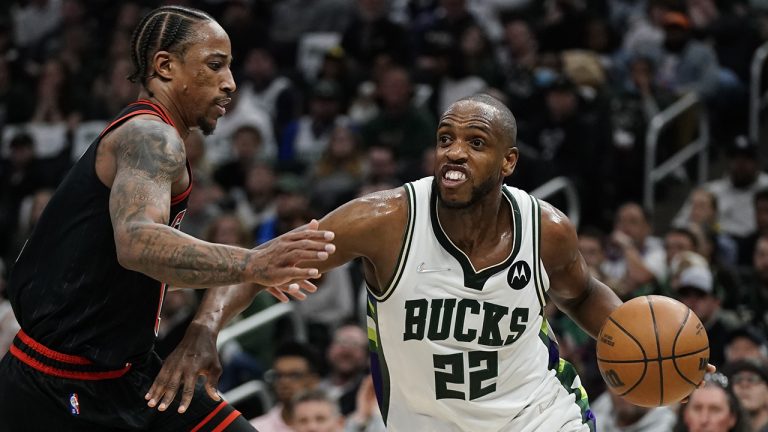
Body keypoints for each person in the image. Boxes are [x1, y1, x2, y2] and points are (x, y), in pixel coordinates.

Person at [162, 93, 632, 430]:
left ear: (508, 162)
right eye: (446, 138)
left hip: (538, 416)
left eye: (475, 142)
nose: (454, 152)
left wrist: (641, 342)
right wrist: (203, 328)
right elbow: (262, 263)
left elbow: (584, 294)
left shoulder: (545, 228)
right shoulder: (384, 220)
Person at [0, 6, 336, 432]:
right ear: (165, 66)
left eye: (229, 68)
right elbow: (138, 244)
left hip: (127, 376)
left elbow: (139, 265)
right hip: (54, 386)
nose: (230, 83)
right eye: (215, 65)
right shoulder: (150, 135)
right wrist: (255, 263)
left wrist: (204, 326)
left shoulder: (156, 140)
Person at [251, 341, 322, 432]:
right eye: (278, 375)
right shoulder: (256, 429)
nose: (284, 382)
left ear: (314, 381)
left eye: (294, 375)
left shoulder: (333, 425)